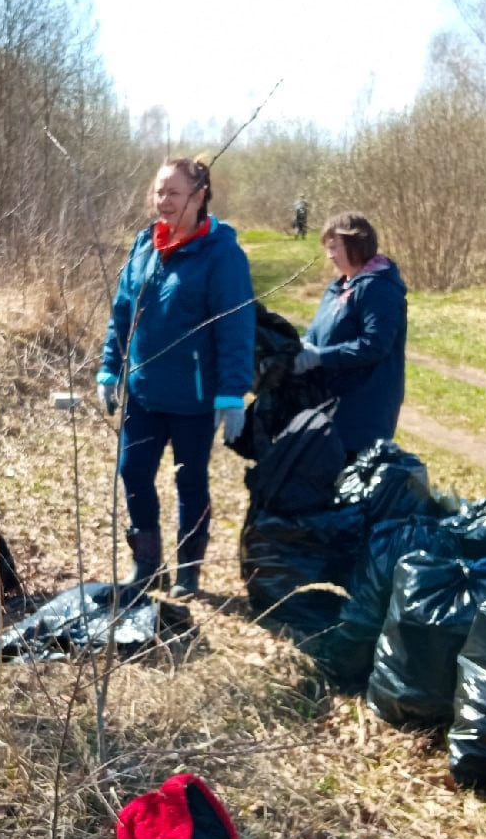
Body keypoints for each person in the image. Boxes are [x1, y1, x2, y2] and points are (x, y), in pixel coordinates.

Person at [97, 157, 256, 598]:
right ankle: (146, 564)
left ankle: (188, 571)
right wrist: (111, 367)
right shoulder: (145, 244)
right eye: (158, 191)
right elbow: (122, 312)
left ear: (199, 194)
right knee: (133, 472)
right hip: (144, 390)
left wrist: (231, 392)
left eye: (173, 192)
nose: (162, 201)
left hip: (195, 397)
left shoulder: (222, 253)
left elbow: (236, 326)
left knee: (190, 481)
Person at [292, 212, 408, 458]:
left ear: (356, 244)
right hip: (333, 402)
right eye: (327, 248)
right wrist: (302, 345)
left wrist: (321, 357)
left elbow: (375, 344)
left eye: (334, 247)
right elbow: (316, 331)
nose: (329, 255)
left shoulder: (378, 288)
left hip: (364, 407)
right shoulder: (337, 287)